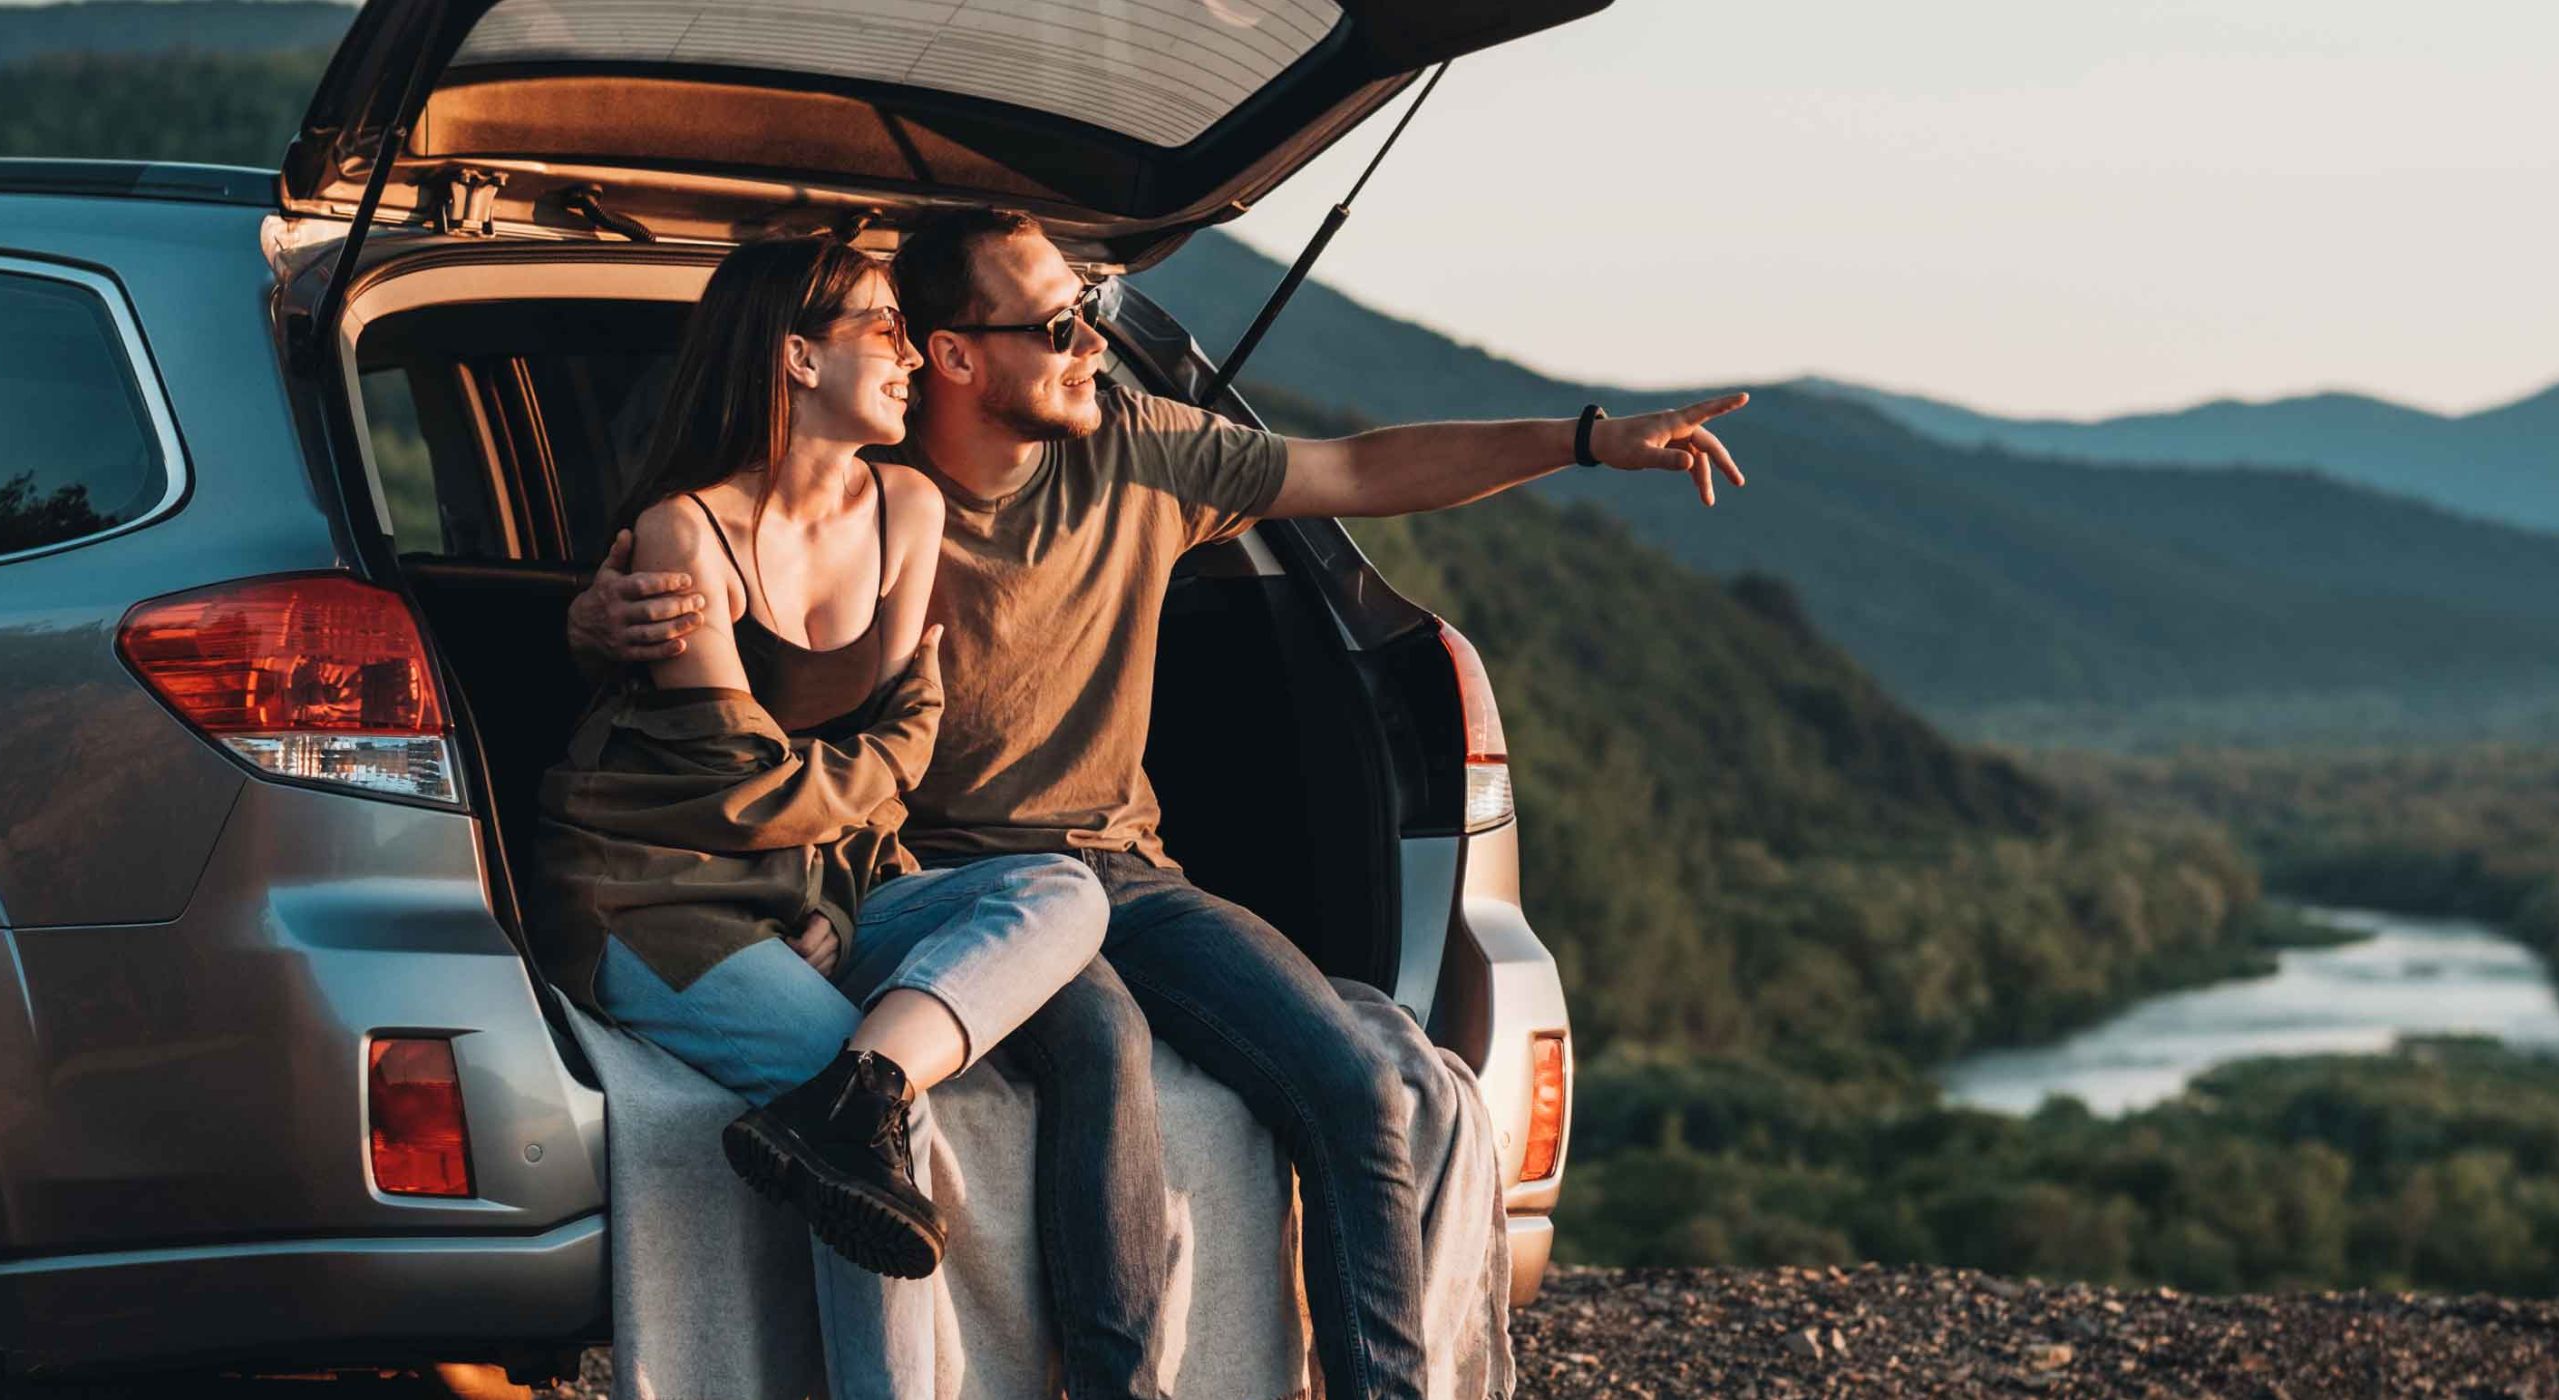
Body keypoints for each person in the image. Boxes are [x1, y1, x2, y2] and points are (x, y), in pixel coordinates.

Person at [567, 207, 1749, 1399]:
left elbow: (1360, 468)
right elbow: (730, 613)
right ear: (959, 354)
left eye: (1089, 315)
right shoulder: (867, 469)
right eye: (1058, 323)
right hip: (937, 876)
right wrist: (598, 619)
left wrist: (1590, 437)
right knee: (1102, 1041)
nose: (1092, 342)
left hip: (1120, 863)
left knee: (1351, 1079)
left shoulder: (1128, 446)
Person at [530, 234, 1164, 1400]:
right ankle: (861, 1115)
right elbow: (748, 788)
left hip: (811, 883)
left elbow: (894, 762)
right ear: (796, 356)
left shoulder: (910, 505)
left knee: (1062, 890)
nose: (911, 354)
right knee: (876, 1139)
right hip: (656, 896)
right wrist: (840, 835)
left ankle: (854, 1098)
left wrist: (829, 888)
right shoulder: (685, 533)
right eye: (881, 326)